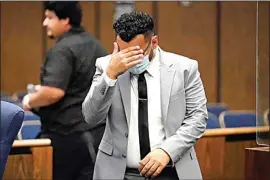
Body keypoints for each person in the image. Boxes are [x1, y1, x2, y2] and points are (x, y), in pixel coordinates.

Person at [82, 11, 208, 180]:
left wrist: (167, 151)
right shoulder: (106, 65)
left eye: (135, 54)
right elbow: (91, 116)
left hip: (172, 170)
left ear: (154, 43)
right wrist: (110, 75)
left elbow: (197, 118)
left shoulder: (184, 68)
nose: (127, 60)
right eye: (122, 52)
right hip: (120, 173)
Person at [22, 1, 107, 180]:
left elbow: (53, 93)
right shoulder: (95, 44)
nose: (45, 23)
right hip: (98, 134)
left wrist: (29, 100)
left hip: (68, 137)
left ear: (65, 20)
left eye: (49, 17)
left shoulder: (62, 49)